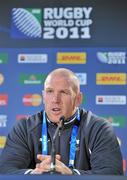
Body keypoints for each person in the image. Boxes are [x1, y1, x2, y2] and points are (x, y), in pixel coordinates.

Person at [0, 68, 123, 175]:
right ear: (43, 96)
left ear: (78, 99)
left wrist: (71, 174)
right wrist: (35, 173)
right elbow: (6, 170)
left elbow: (111, 173)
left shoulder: (99, 129)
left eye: (64, 92)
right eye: (50, 91)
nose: (55, 99)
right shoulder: (24, 128)